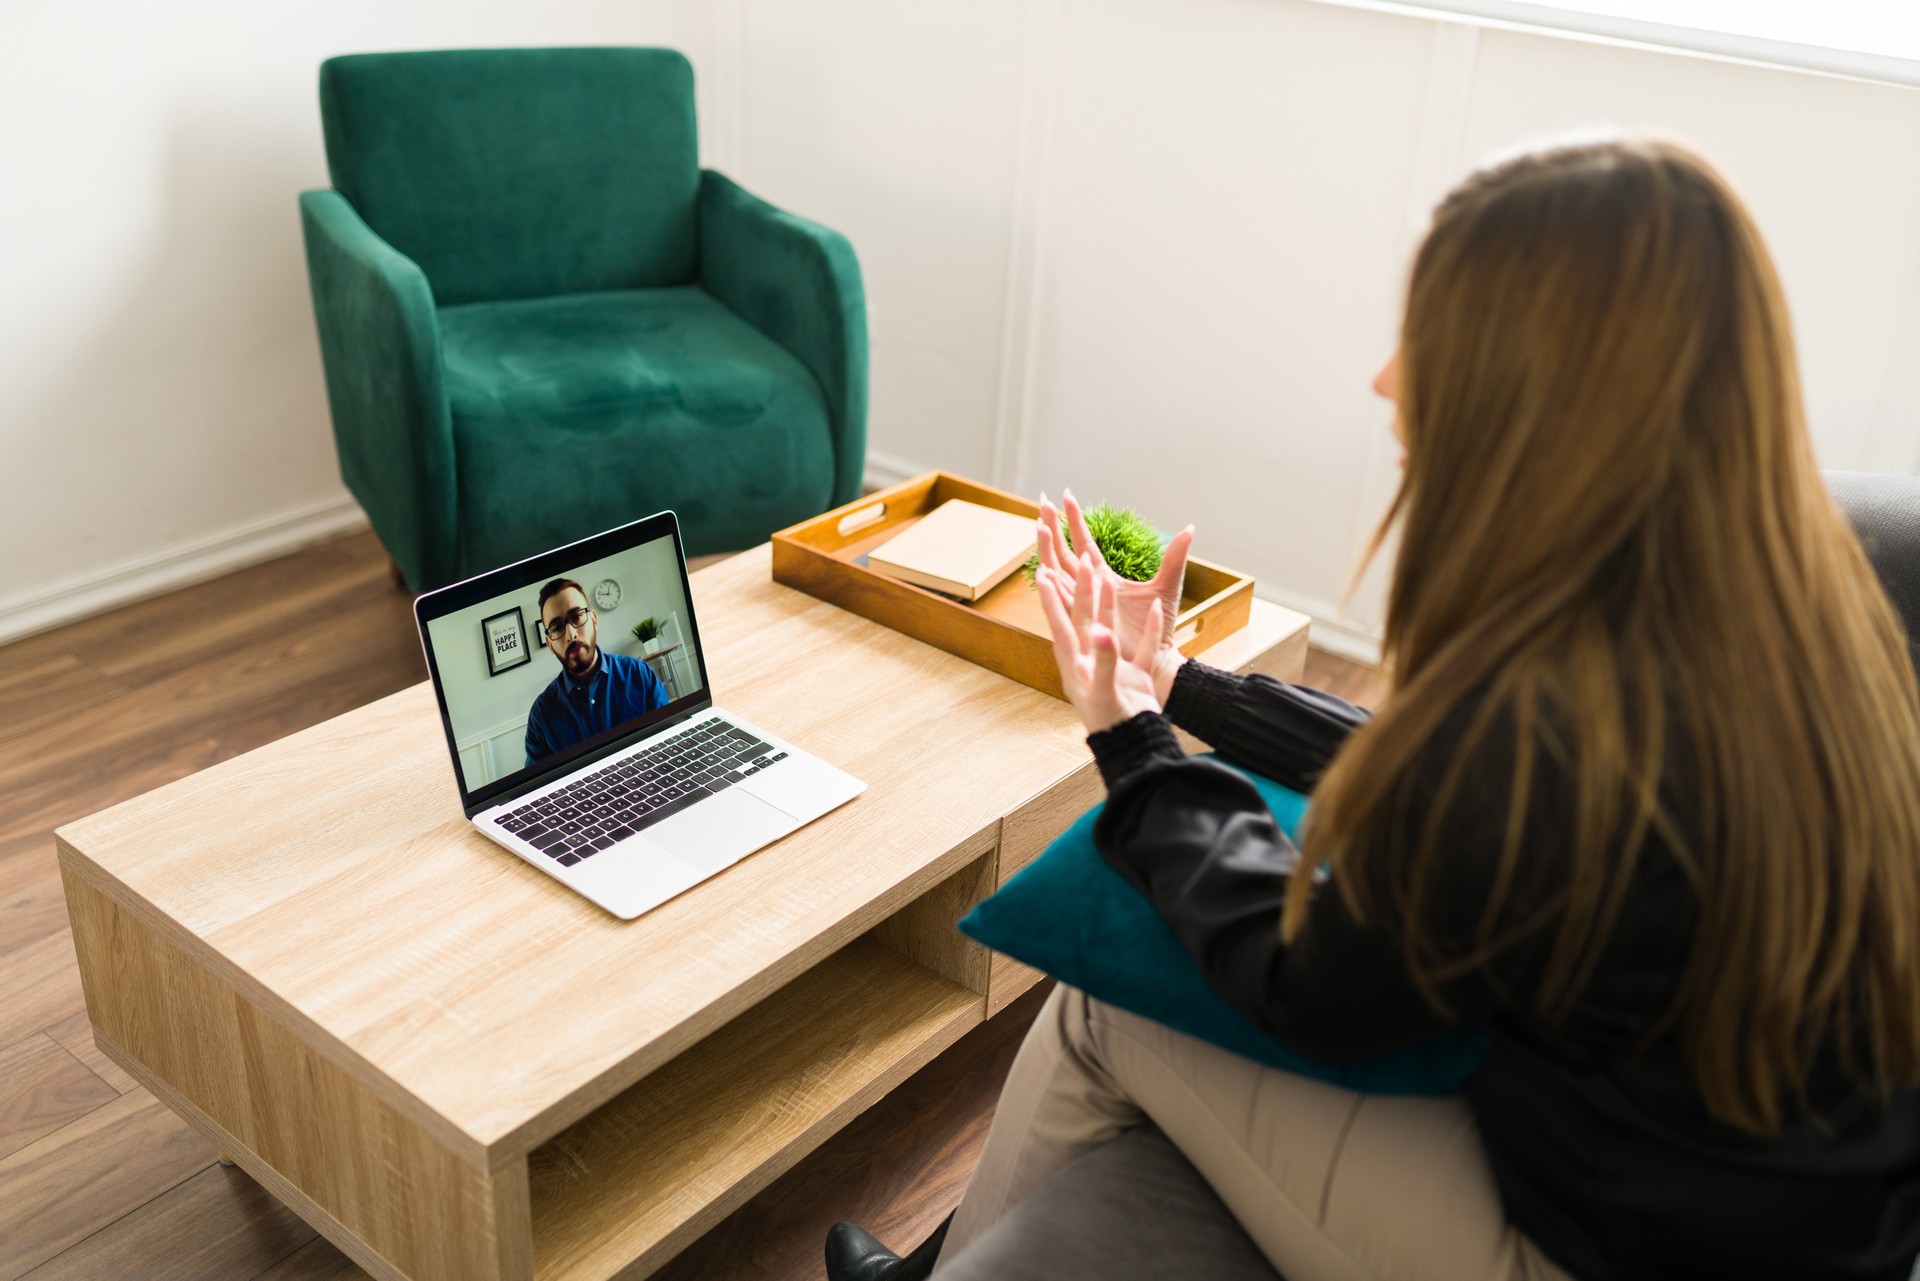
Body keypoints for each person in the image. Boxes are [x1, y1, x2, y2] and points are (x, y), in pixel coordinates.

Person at [826, 137, 1920, 1281]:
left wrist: (1132, 743)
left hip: (1615, 1254)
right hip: (1793, 1223)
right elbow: (1430, 781)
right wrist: (1184, 690)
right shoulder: (1787, 613)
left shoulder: (1559, 697)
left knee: (1110, 1007)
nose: (1387, 380)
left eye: (1430, 337)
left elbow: (1310, 979)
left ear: (1533, 388)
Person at [524, 577, 669, 767]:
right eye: (557, 627)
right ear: (550, 644)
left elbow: (669, 740)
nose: (571, 634)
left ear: (593, 620)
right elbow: (538, 787)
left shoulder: (638, 675)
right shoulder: (541, 716)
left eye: (576, 616)